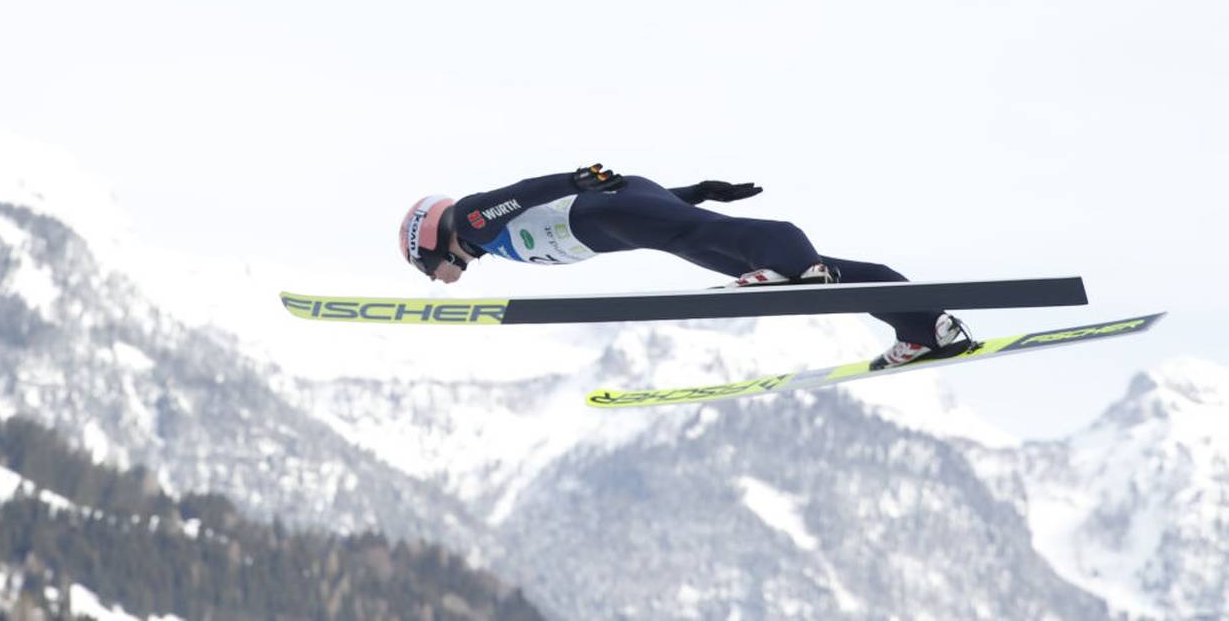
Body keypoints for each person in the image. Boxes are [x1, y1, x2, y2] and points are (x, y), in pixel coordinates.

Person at [398, 164, 972, 369]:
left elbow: (523, 192)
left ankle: (789, 258)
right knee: (714, 244)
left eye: (430, 270)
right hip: (616, 216)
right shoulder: (485, 239)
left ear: (432, 242)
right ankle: (928, 328)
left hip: (600, 211)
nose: (439, 280)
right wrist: (695, 191)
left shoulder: (472, 220)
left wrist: (573, 180)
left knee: (711, 241)